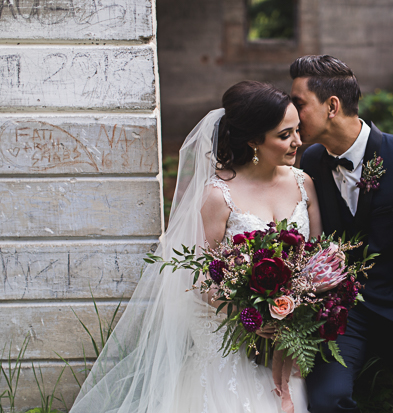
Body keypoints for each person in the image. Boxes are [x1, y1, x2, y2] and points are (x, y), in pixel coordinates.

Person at [68, 81, 320, 413]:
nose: (298, 142)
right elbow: (200, 276)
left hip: (289, 335)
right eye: (285, 135)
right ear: (254, 141)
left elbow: (317, 259)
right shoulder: (219, 194)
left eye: (297, 130)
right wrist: (250, 316)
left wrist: (297, 310)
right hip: (230, 337)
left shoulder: (304, 183)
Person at [292, 55, 393, 413]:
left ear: (332, 106)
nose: (291, 113)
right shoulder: (310, 161)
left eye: (299, 104)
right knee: (324, 399)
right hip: (343, 316)